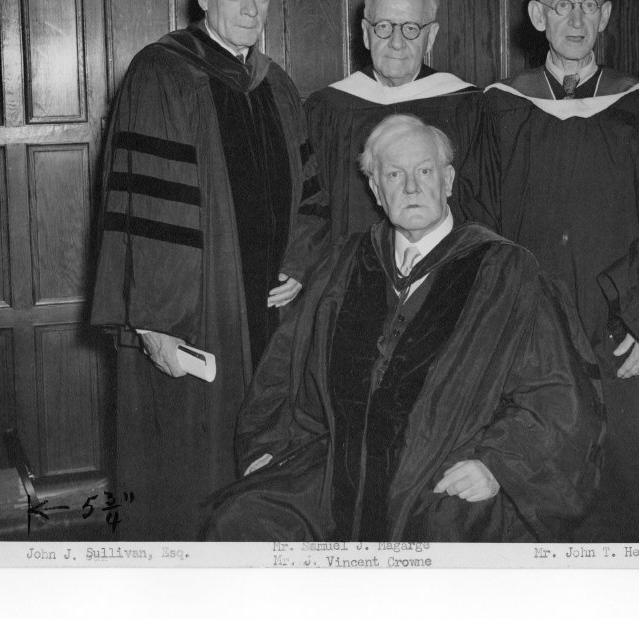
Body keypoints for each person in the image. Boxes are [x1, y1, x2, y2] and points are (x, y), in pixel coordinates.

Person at [206, 115, 603, 542]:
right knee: (239, 522)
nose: (411, 187)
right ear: (376, 190)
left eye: (425, 171)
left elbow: (559, 395)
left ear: (448, 181)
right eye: (395, 175)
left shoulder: (506, 272)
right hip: (335, 472)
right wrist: (265, 449)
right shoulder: (346, 262)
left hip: (442, 481)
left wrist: (496, 465)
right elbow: (282, 367)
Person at [458, 0, 639, 541]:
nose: (576, 18)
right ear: (537, 16)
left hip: (622, 334)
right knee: (533, 492)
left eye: (588, 5)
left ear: (607, 15)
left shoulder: (638, 104)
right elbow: (476, 223)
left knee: (621, 494)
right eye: (562, 5)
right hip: (530, 334)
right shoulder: (500, 104)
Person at [91, 0, 329, 540]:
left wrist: (299, 263)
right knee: (187, 471)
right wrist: (153, 325)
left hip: (269, 314)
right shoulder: (162, 73)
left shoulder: (276, 85)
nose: (251, 8)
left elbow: (312, 195)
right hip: (197, 317)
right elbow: (145, 211)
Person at [306, 0, 479, 240]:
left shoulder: (466, 106)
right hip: (352, 270)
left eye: (411, 28)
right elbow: (312, 203)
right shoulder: (331, 108)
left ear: (430, 36)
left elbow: (478, 206)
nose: (396, 42)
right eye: (383, 27)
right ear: (366, 33)